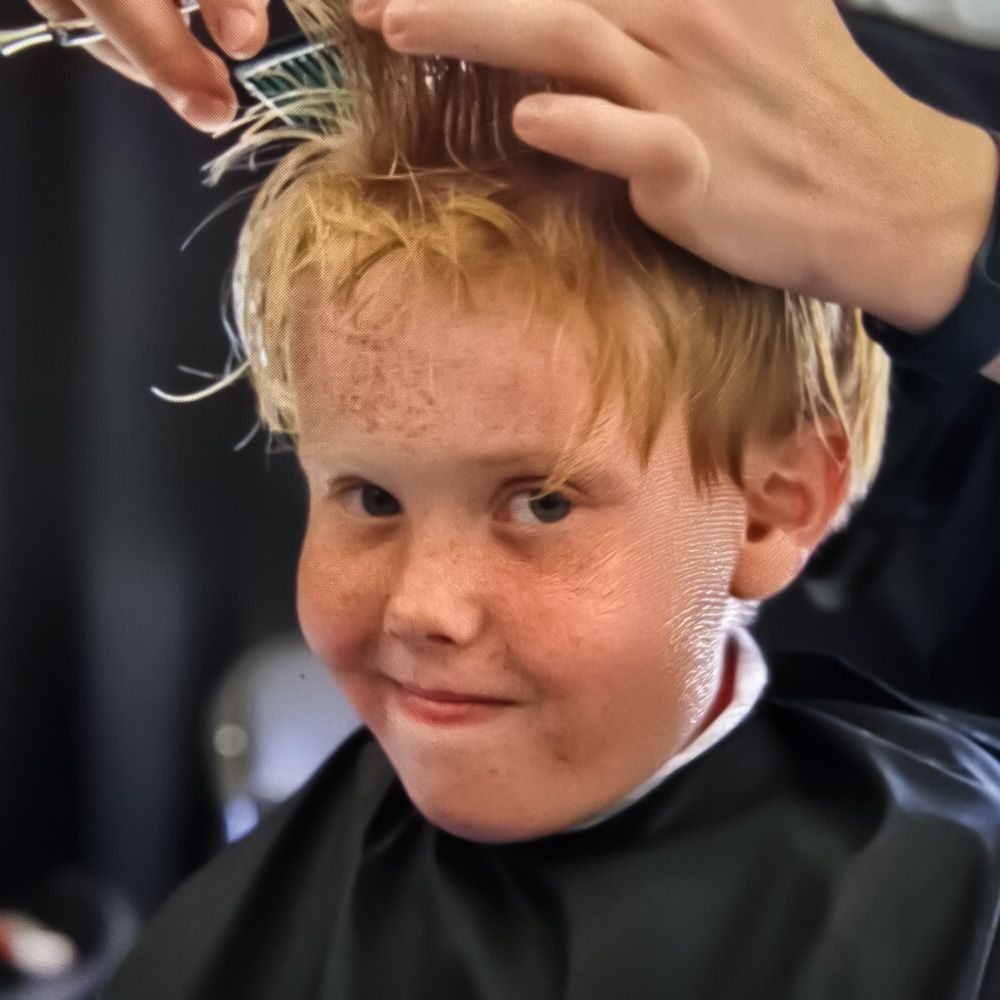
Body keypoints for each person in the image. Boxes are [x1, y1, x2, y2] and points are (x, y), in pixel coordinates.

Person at [21, 0, 998, 996]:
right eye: (370, 496)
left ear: (774, 502)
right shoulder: (241, 921)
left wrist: (963, 229)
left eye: (540, 503)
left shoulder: (956, 905)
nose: (422, 607)